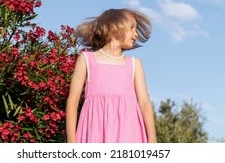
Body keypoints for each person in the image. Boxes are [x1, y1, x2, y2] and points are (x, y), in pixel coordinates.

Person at [66, 8, 157, 143]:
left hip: (129, 133)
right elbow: (72, 102)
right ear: (115, 26)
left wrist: (152, 139)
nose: (136, 34)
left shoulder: (134, 64)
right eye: (132, 28)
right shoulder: (86, 59)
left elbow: (144, 103)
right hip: (95, 131)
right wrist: (71, 141)